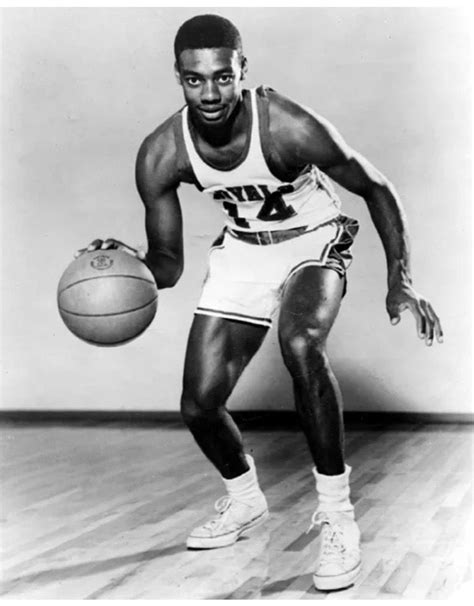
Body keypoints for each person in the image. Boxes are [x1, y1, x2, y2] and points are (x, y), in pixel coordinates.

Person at [79, 14, 443, 592]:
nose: (210, 93)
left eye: (222, 77)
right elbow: (168, 264)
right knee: (199, 405)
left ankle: (338, 517)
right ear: (178, 78)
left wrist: (401, 277)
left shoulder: (288, 125)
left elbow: (375, 186)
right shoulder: (161, 153)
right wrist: (127, 264)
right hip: (243, 252)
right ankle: (245, 500)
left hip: (313, 240)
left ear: (242, 71)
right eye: (195, 80)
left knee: (300, 343)